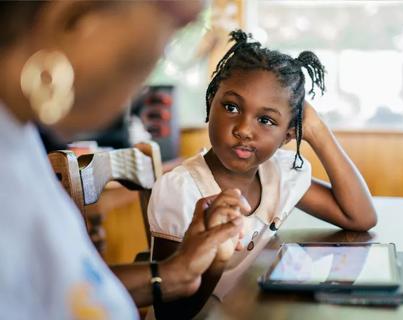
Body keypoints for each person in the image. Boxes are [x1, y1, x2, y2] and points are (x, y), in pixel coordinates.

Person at [0, 2, 249, 319]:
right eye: (173, 31)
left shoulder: (19, 139)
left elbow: (62, 286)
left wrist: (176, 271)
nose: (146, 80)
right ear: (74, 16)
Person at [148, 30, 378, 318]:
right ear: (211, 102)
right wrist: (215, 258)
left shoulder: (279, 173)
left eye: (266, 120)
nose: (244, 129)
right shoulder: (181, 189)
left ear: (287, 135)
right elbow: (171, 312)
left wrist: (317, 131)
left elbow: (361, 217)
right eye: (231, 107)